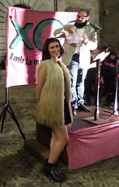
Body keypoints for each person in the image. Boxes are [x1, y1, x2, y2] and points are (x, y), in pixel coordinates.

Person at [36, 38, 72, 182]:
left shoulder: (59, 63)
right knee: (64, 138)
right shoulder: (45, 65)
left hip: (62, 104)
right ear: (47, 50)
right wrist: (42, 106)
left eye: (57, 46)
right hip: (52, 107)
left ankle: (53, 160)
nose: (55, 49)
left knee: (55, 136)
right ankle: (49, 165)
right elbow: (38, 88)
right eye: (52, 47)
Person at [54, 9, 98, 114]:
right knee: (72, 82)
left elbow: (95, 45)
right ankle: (73, 104)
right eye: (78, 16)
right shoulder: (69, 27)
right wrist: (63, 31)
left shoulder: (91, 30)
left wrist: (87, 41)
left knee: (81, 82)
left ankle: (80, 103)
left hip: (84, 58)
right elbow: (55, 33)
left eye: (82, 17)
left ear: (87, 18)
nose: (79, 18)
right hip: (71, 57)